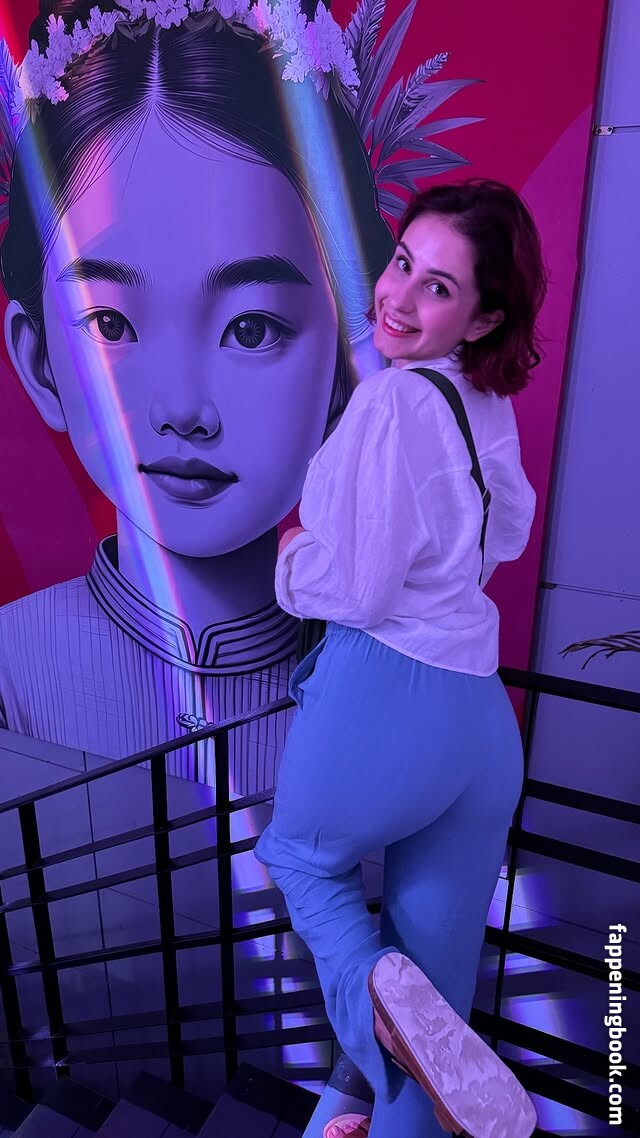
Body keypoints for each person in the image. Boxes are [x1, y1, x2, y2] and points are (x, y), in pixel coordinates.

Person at [255, 179, 547, 1138]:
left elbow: (365, 590)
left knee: (301, 860)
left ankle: (370, 994)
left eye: (439, 289)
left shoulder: (391, 402)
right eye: (403, 264)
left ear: (484, 316)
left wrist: (294, 557)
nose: (401, 297)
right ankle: (377, 1089)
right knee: (438, 996)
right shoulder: (484, 400)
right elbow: (506, 536)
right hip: (481, 722)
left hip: (390, 692)